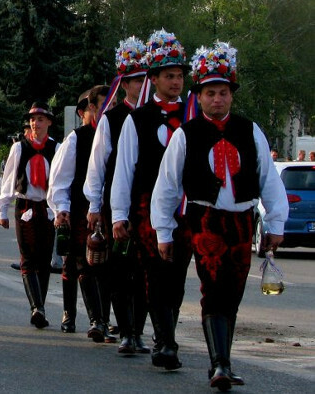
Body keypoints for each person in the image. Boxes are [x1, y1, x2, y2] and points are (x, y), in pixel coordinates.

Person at [151, 42, 289, 390]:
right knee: (213, 287)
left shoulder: (250, 130)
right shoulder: (187, 134)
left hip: (242, 220)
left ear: (231, 95)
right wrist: (163, 231)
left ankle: (223, 360)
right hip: (206, 219)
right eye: (210, 93)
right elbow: (166, 187)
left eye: (223, 93)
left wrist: (275, 223)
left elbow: (269, 180)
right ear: (199, 96)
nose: (217, 99)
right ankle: (220, 365)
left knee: (233, 289)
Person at [111, 29, 193, 371]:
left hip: (187, 207)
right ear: (154, 79)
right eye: (169, 76)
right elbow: (124, 169)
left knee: (178, 272)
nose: (176, 82)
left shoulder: (194, 116)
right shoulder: (137, 119)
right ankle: (164, 341)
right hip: (146, 206)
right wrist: (118, 213)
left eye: (179, 76)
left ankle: (167, 331)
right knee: (155, 271)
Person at [84, 36, 151, 353]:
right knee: (121, 269)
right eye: (136, 80)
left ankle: (139, 329)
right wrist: (95, 204)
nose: (142, 85)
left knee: (146, 270)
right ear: (125, 83)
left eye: (145, 78)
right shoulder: (112, 118)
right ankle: (126, 331)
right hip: (119, 203)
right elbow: (97, 164)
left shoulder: (157, 116)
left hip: (152, 204)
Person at [48, 86, 117, 343]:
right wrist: (61, 209)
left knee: (105, 266)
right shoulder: (76, 138)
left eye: (111, 105)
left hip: (108, 210)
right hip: (80, 210)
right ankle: (84, 317)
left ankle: (103, 318)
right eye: (102, 106)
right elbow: (60, 179)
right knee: (80, 263)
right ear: (86, 111)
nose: (108, 110)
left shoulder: (117, 132)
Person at [0, 102, 59, 328]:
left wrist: (62, 210)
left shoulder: (57, 148)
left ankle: (39, 306)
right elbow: (9, 179)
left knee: (44, 261)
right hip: (25, 206)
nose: (35, 123)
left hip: (48, 209)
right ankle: (36, 307)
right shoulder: (20, 148)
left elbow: (61, 182)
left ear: (49, 122)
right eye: (33, 120)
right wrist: (2, 208)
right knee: (28, 259)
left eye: (40, 119)